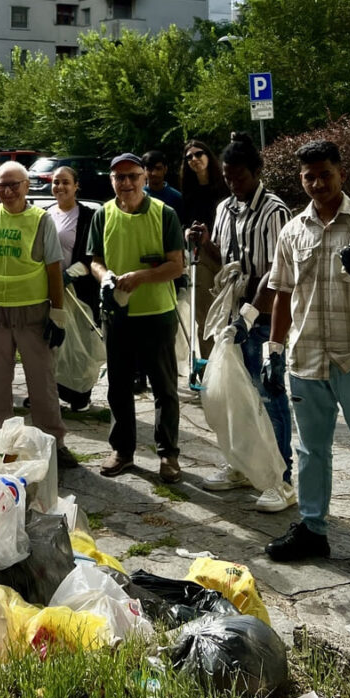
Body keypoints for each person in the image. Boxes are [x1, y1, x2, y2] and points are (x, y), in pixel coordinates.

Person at [262, 139, 350, 588]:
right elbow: (283, 293)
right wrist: (274, 349)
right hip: (307, 358)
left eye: (325, 174)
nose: (317, 183)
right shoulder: (292, 231)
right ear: (300, 179)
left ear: (341, 173)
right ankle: (312, 529)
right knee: (310, 451)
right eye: (308, 177)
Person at [0, 160, 76, 466]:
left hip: (32, 310)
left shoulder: (40, 220)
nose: (7, 192)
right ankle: (2, 439)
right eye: (1, 186)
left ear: (26, 186)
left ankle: (53, 442)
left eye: (13, 185)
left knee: (40, 377)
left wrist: (57, 313)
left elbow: (53, 270)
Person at [199, 132, 295, 512]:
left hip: (263, 316)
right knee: (233, 396)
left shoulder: (274, 211)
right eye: (227, 177)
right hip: (232, 312)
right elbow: (223, 258)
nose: (233, 184)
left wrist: (250, 315)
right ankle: (240, 464)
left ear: (256, 172)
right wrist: (203, 242)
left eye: (239, 177)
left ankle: (282, 479)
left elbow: (276, 273)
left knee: (268, 394)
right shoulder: (225, 208)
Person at [90, 153, 185, 482]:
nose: (126, 183)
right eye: (119, 177)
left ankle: (168, 454)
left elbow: (177, 265)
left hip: (157, 312)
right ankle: (123, 451)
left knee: (164, 387)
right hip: (117, 314)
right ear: (112, 181)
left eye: (132, 176)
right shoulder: (103, 214)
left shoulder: (165, 214)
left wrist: (141, 276)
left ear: (145, 178)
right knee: (117, 385)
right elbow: (95, 260)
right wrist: (104, 277)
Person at [47, 165, 98, 411]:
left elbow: (93, 255)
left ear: (76, 186)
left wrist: (70, 274)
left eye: (65, 182)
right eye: (56, 182)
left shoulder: (88, 216)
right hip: (50, 292)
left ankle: (80, 395)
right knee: (53, 345)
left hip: (78, 291)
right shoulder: (45, 215)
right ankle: (52, 390)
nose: (60, 187)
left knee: (79, 348)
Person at [135, 149, 182, 394]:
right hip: (139, 268)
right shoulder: (138, 196)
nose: (152, 174)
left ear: (164, 169)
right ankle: (140, 375)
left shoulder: (173, 198)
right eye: (148, 169)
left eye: (157, 168)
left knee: (163, 332)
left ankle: (163, 377)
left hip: (166, 268)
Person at [178, 140, 229, 360]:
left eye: (199, 154)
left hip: (227, 254)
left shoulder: (226, 187)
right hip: (201, 256)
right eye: (189, 157)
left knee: (229, 316)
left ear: (209, 156)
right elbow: (182, 224)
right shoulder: (187, 193)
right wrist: (187, 233)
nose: (194, 159)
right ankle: (207, 373)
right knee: (204, 318)